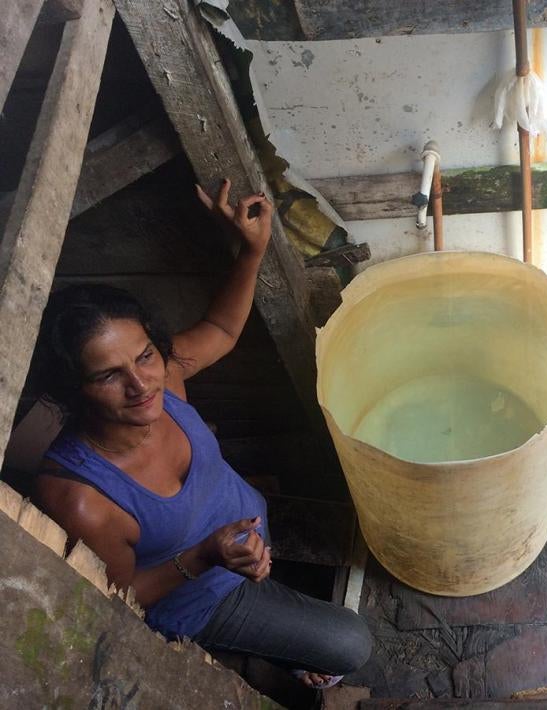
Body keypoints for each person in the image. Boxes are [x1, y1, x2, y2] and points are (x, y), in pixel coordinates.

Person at [33, 180, 372, 690]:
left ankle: (279, 625)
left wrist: (252, 250)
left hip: (242, 541)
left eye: (144, 355)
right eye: (107, 375)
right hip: (200, 594)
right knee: (352, 644)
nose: (139, 383)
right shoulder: (81, 498)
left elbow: (220, 328)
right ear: (73, 388)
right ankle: (264, 653)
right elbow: (119, 596)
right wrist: (204, 556)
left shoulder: (163, 377)